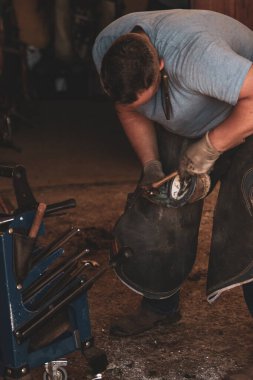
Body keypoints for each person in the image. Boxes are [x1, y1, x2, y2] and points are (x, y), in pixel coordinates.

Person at [92, 9, 253, 378]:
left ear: (162, 65)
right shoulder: (107, 49)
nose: (136, 104)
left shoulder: (197, 56)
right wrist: (150, 163)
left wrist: (211, 146)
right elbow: (129, 108)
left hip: (247, 115)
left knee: (246, 215)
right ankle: (160, 305)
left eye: (144, 96)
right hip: (191, 113)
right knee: (159, 203)